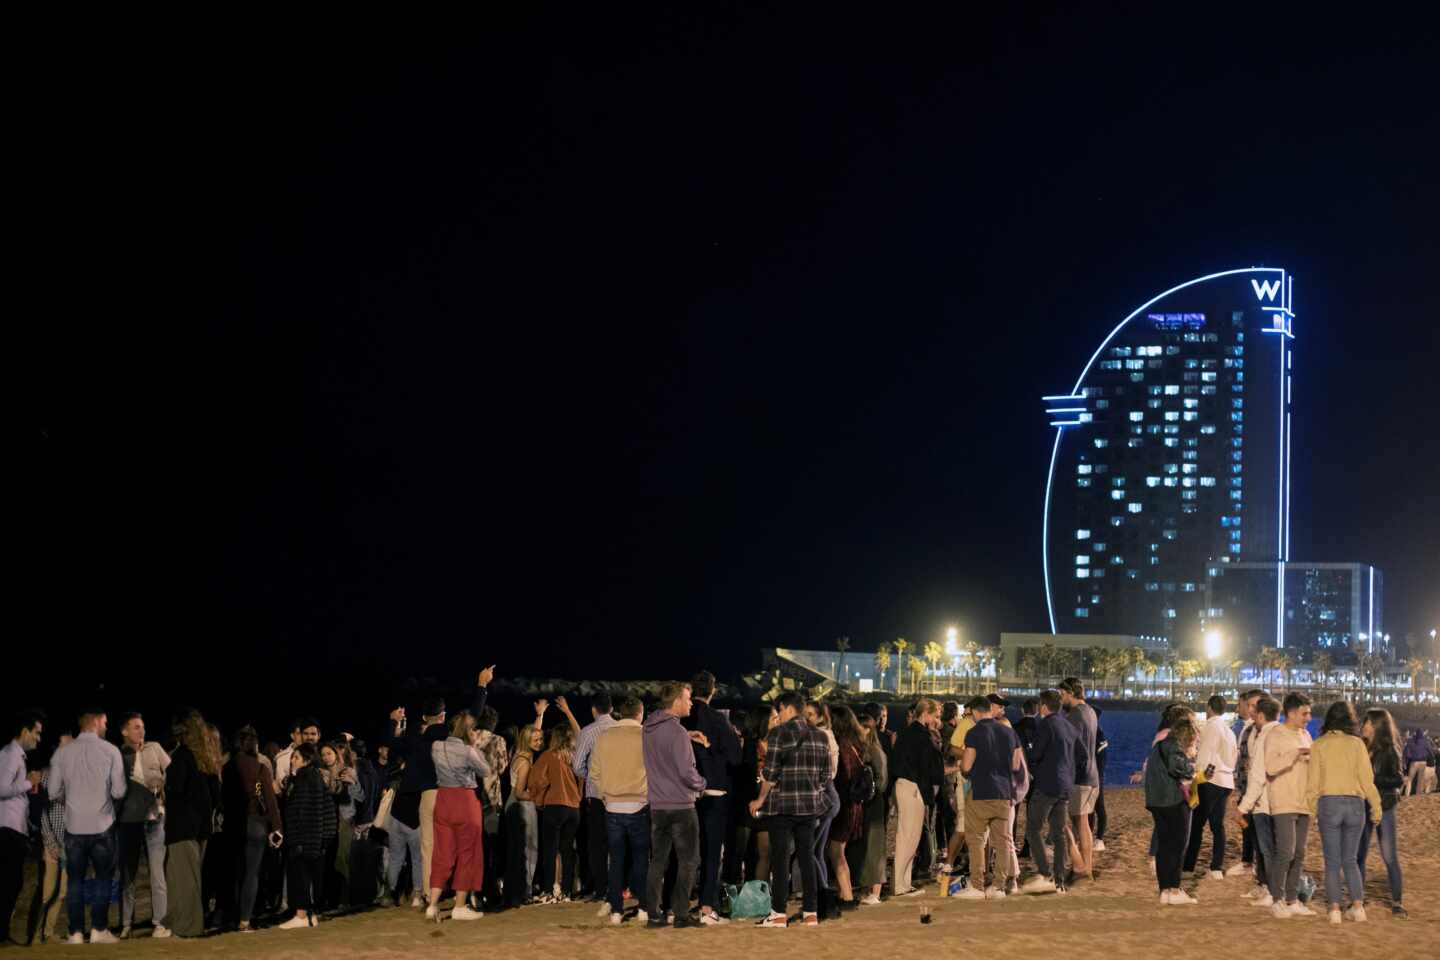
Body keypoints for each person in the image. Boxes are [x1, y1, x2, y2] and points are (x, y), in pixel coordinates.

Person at [382, 665, 494, 906]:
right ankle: (460, 895)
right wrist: (482, 686)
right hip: (451, 795)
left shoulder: (415, 737)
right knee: (461, 846)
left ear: (423, 718)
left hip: (426, 797)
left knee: (428, 847)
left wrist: (393, 721)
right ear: (444, 716)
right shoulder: (447, 732)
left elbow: (390, 742)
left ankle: (425, 896)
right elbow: (473, 714)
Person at [748, 691, 827, 928]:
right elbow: (825, 775)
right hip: (810, 806)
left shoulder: (779, 733)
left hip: (782, 806)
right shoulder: (820, 735)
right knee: (806, 857)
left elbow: (770, 774)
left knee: (780, 859)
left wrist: (760, 800)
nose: (779, 716)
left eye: (779, 711)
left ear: (787, 708)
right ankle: (811, 912)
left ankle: (779, 913)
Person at [49, 708, 127, 944]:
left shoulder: (62, 753)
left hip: (73, 826)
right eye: (105, 722)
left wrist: (71, 798)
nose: (106, 726)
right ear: (94, 722)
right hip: (102, 824)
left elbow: (53, 792)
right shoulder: (111, 750)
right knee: (103, 878)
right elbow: (119, 790)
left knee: (75, 880)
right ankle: (99, 930)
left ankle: (75, 933)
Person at [1307, 701, 1381, 925]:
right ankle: (1358, 908)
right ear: (1350, 720)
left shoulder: (1319, 745)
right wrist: (1376, 807)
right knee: (1350, 860)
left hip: (1329, 803)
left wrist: (1312, 810)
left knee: (1331, 862)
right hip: (1355, 804)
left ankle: (1335, 910)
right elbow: (1367, 780)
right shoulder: (1357, 744)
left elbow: (1313, 784)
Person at [641, 682, 706, 927]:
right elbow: (685, 772)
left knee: (658, 861)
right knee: (689, 860)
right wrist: (702, 784)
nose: (691, 703)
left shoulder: (648, 728)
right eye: (688, 698)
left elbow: (664, 749)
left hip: (658, 805)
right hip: (681, 806)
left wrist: (686, 736)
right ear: (677, 701)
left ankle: (654, 914)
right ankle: (680, 914)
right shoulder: (676, 732)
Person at [684, 671, 741, 925]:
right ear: (712, 691)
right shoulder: (718, 720)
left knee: (680, 852)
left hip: (682, 792)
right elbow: (735, 757)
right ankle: (707, 906)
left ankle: (674, 904)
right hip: (714, 791)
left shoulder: (679, 721)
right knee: (710, 852)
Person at [953, 696, 1023, 900]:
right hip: (1004, 793)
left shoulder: (974, 733)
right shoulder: (1010, 732)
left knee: (976, 840)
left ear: (975, 711)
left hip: (981, 791)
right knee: (1002, 841)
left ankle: (977, 886)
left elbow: (966, 766)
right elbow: (1016, 765)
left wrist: (969, 771)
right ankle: (999, 887)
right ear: (989, 710)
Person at [158, 712, 220, 939]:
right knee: (186, 879)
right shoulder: (205, 758)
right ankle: (178, 923)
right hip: (199, 828)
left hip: (182, 827)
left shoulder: (183, 756)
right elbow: (214, 796)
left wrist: (162, 784)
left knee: (183, 881)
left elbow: (175, 788)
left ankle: (188, 928)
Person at [589, 695, 648, 925]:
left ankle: (616, 910)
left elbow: (594, 773)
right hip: (639, 804)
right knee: (641, 859)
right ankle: (643, 907)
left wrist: (606, 794)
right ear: (640, 713)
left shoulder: (604, 737)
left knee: (616, 860)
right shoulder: (645, 736)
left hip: (612, 805)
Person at [428, 710, 491, 922]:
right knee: (468, 853)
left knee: (442, 854)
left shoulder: (436, 746)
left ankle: (433, 905)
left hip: (443, 800)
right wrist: (473, 747)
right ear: (467, 731)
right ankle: (460, 906)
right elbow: (486, 771)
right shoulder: (468, 751)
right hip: (465, 801)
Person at [115, 712, 171, 939]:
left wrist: (162, 786)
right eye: (136, 727)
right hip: (128, 822)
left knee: (157, 874)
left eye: (143, 727)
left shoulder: (155, 748)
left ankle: (160, 922)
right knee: (128, 876)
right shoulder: (118, 755)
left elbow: (173, 774)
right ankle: (126, 923)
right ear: (125, 731)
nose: (142, 731)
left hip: (155, 819)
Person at [222, 725, 281, 932]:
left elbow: (224, 800)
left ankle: (230, 917)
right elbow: (270, 801)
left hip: (233, 825)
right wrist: (277, 828)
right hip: (255, 824)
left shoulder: (228, 767)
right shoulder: (260, 767)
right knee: (251, 874)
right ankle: (244, 921)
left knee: (234, 872)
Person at [1021, 689, 1079, 895]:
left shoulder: (1046, 724)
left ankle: (1045, 873)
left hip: (1047, 785)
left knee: (1033, 829)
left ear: (1043, 707)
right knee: (1058, 832)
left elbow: (1036, 753)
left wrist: (1032, 765)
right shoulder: (1068, 725)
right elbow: (1081, 755)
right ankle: (1059, 880)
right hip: (1065, 785)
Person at [1264, 692, 1316, 919]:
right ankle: (1277, 899)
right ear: (1292, 713)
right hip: (1284, 800)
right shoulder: (1276, 734)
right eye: (1305, 713)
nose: (1309, 718)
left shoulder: (1306, 735)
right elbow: (1271, 766)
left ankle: (1292, 899)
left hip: (1304, 802)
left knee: (1300, 852)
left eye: (1310, 713)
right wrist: (1296, 753)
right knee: (1285, 851)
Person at [528, 696, 582, 903]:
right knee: (568, 850)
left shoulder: (549, 756)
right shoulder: (575, 756)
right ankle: (567, 890)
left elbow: (537, 781)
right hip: (574, 808)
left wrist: (538, 800)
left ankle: (550, 889)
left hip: (554, 806)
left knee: (549, 850)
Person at [1, 710, 45, 946]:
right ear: (25, 731)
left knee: (12, 882)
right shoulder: (10, 754)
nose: (38, 739)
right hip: (7, 830)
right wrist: (30, 782)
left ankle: (3, 932)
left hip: (14, 828)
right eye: (36, 733)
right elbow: (1, 789)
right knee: (9, 882)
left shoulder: (15, 756)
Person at [891, 698, 943, 896]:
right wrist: (928, 793)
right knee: (909, 837)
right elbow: (926, 767)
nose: (937, 719)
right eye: (935, 715)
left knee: (908, 836)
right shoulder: (921, 735)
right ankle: (899, 884)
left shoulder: (907, 732)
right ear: (925, 714)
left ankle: (903, 883)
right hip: (913, 787)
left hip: (905, 785)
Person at [1145, 712, 1198, 905]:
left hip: (1156, 801)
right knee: (1178, 846)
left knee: (1164, 847)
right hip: (1173, 801)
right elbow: (1179, 768)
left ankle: (1164, 890)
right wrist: (1193, 769)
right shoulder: (1174, 747)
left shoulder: (1159, 746)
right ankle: (1174, 890)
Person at [1183, 694, 1238, 879]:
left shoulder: (1211, 727)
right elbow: (1233, 757)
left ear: (1209, 708)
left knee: (1197, 825)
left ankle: (1188, 866)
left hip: (1211, 780)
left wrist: (1197, 776)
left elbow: (1205, 754)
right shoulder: (1229, 731)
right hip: (1226, 781)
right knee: (1217, 825)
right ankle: (1216, 867)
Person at [1357, 708, 1406, 917]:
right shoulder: (1360, 747)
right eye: (1364, 722)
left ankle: (1397, 902)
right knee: (1359, 855)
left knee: (1389, 856)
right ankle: (1358, 898)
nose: (1364, 726)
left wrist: (1372, 782)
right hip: (1363, 806)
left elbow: (1398, 779)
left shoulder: (1389, 750)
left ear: (1378, 726)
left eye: (1368, 723)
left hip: (1385, 807)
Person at [280, 743, 334, 929]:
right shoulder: (313, 776)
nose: (292, 760)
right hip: (314, 838)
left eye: (296, 757)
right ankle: (310, 915)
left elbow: (301, 812)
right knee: (310, 877)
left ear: (307, 760)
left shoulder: (305, 778)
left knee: (300, 876)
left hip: (304, 837)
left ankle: (301, 915)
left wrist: (299, 840)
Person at [571, 692, 616, 905]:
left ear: (593, 710)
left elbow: (577, 765)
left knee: (597, 844)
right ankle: (620, 886)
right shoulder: (620, 728)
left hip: (597, 794)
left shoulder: (588, 732)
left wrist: (592, 777)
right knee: (619, 842)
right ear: (612, 709)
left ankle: (601, 888)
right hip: (621, 793)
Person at [1236, 696, 1282, 906]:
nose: (1251, 711)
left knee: (1267, 849)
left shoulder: (1265, 736)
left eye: (1254, 708)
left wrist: (1244, 806)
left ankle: (1272, 892)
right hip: (1277, 800)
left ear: (1262, 714)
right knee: (1268, 848)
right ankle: (1265, 886)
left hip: (1263, 801)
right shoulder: (1282, 733)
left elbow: (1257, 774)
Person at [25, 742, 70, 945]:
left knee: (61, 892)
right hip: (51, 842)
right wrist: (49, 841)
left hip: (70, 842)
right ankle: (34, 935)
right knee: (47, 892)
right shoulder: (44, 775)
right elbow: (39, 812)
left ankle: (48, 933)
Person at [801, 700, 841, 914]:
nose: (806, 718)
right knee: (816, 850)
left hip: (824, 796)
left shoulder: (822, 736)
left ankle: (823, 896)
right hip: (828, 795)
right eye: (804, 714)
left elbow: (828, 772)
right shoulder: (826, 735)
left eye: (809, 715)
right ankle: (825, 899)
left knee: (808, 850)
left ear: (819, 717)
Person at [825, 705, 866, 910]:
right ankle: (846, 893)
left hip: (845, 805)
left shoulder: (841, 746)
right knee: (839, 851)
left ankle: (847, 897)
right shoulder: (854, 744)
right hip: (854, 805)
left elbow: (844, 776)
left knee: (836, 852)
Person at [847, 706, 888, 905]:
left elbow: (882, 782)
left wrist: (866, 790)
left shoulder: (875, 751)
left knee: (875, 846)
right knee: (864, 847)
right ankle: (866, 889)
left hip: (874, 804)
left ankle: (876, 891)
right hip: (865, 804)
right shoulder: (862, 750)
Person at [503, 709, 545, 906]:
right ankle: (525, 891)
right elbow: (520, 791)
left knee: (516, 850)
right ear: (527, 740)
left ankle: (515, 892)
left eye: (540, 739)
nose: (540, 742)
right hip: (521, 805)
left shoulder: (519, 753)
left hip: (512, 805)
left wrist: (540, 715)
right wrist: (538, 795)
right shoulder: (526, 762)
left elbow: (534, 732)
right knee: (528, 850)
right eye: (535, 740)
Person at [1058, 679, 1098, 881]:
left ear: (1070, 693)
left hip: (1079, 777)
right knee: (1083, 823)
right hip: (1093, 775)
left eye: (1062, 694)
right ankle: (1085, 867)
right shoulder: (1090, 712)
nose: (1061, 699)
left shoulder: (1074, 716)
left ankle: (1081, 866)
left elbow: (1072, 748)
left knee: (1073, 822)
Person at [1228, 689, 1267, 878]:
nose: (1251, 710)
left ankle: (1253, 867)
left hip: (1258, 790)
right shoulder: (1248, 728)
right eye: (1249, 705)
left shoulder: (1262, 731)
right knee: (1248, 827)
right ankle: (1248, 863)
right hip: (1246, 786)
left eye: (1254, 706)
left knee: (1258, 832)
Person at [472, 706, 508, 910]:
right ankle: (490, 892)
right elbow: (502, 767)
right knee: (491, 849)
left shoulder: (469, 738)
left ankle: (472, 892)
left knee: (473, 848)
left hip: (471, 798)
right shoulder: (498, 741)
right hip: (491, 801)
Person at [1401, 729, 1435, 795]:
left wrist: (1409, 758)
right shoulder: (1425, 742)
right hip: (1423, 762)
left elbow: (1406, 752)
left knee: (1410, 779)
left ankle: (1407, 794)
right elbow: (1430, 751)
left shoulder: (1411, 741)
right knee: (1420, 780)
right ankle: (1418, 794)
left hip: (1414, 762)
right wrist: (1430, 759)